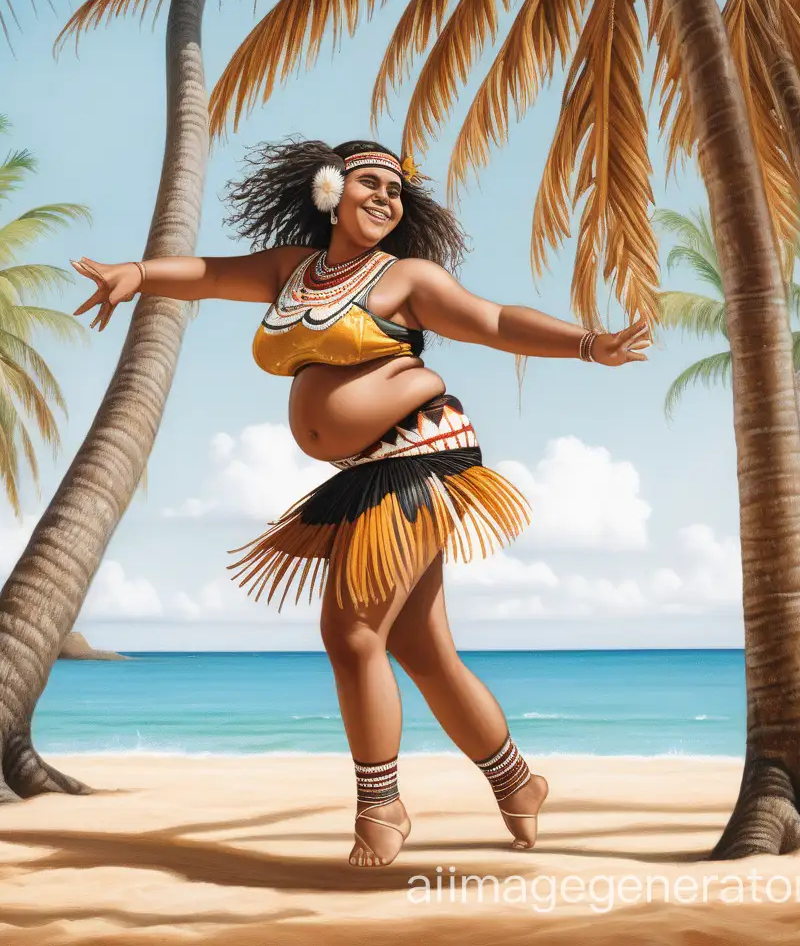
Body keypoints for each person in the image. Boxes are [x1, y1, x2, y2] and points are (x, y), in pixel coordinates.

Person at [71, 138, 650, 868]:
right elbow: (211, 275)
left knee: (351, 635)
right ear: (329, 192)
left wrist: (588, 344)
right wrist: (138, 273)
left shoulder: (405, 278)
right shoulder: (294, 271)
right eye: (369, 183)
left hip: (417, 455)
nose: (385, 198)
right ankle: (518, 783)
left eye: (395, 190)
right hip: (367, 468)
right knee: (422, 650)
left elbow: (496, 321)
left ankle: (382, 807)